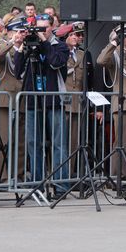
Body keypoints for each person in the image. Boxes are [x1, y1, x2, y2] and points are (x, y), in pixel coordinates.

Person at [14, 13, 70, 198]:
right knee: (33, 143)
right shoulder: (31, 46)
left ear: (52, 27)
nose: (40, 31)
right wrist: (20, 47)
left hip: (53, 100)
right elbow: (17, 71)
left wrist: (44, 42)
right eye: (37, 27)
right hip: (33, 100)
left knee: (58, 145)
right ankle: (36, 185)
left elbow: (56, 62)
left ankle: (60, 186)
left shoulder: (60, 46)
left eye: (44, 27)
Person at [96, 23, 126, 180]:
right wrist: (113, 43)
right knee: (121, 144)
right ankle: (117, 177)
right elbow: (101, 60)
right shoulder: (115, 54)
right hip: (125, 104)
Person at [55, 22, 93, 175]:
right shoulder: (60, 53)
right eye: (73, 35)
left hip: (77, 103)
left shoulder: (82, 55)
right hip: (62, 101)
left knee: (74, 142)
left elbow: (86, 81)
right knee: (59, 141)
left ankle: (69, 175)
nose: (77, 38)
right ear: (65, 37)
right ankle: (57, 174)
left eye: (78, 35)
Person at [0, 16, 26, 181]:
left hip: (22, 99)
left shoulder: (27, 48)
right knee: (4, 140)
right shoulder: (2, 45)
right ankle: (4, 176)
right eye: (17, 31)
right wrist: (12, 41)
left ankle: (18, 174)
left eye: (22, 31)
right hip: (6, 99)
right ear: (10, 31)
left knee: (20, 142)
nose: (20, 35)